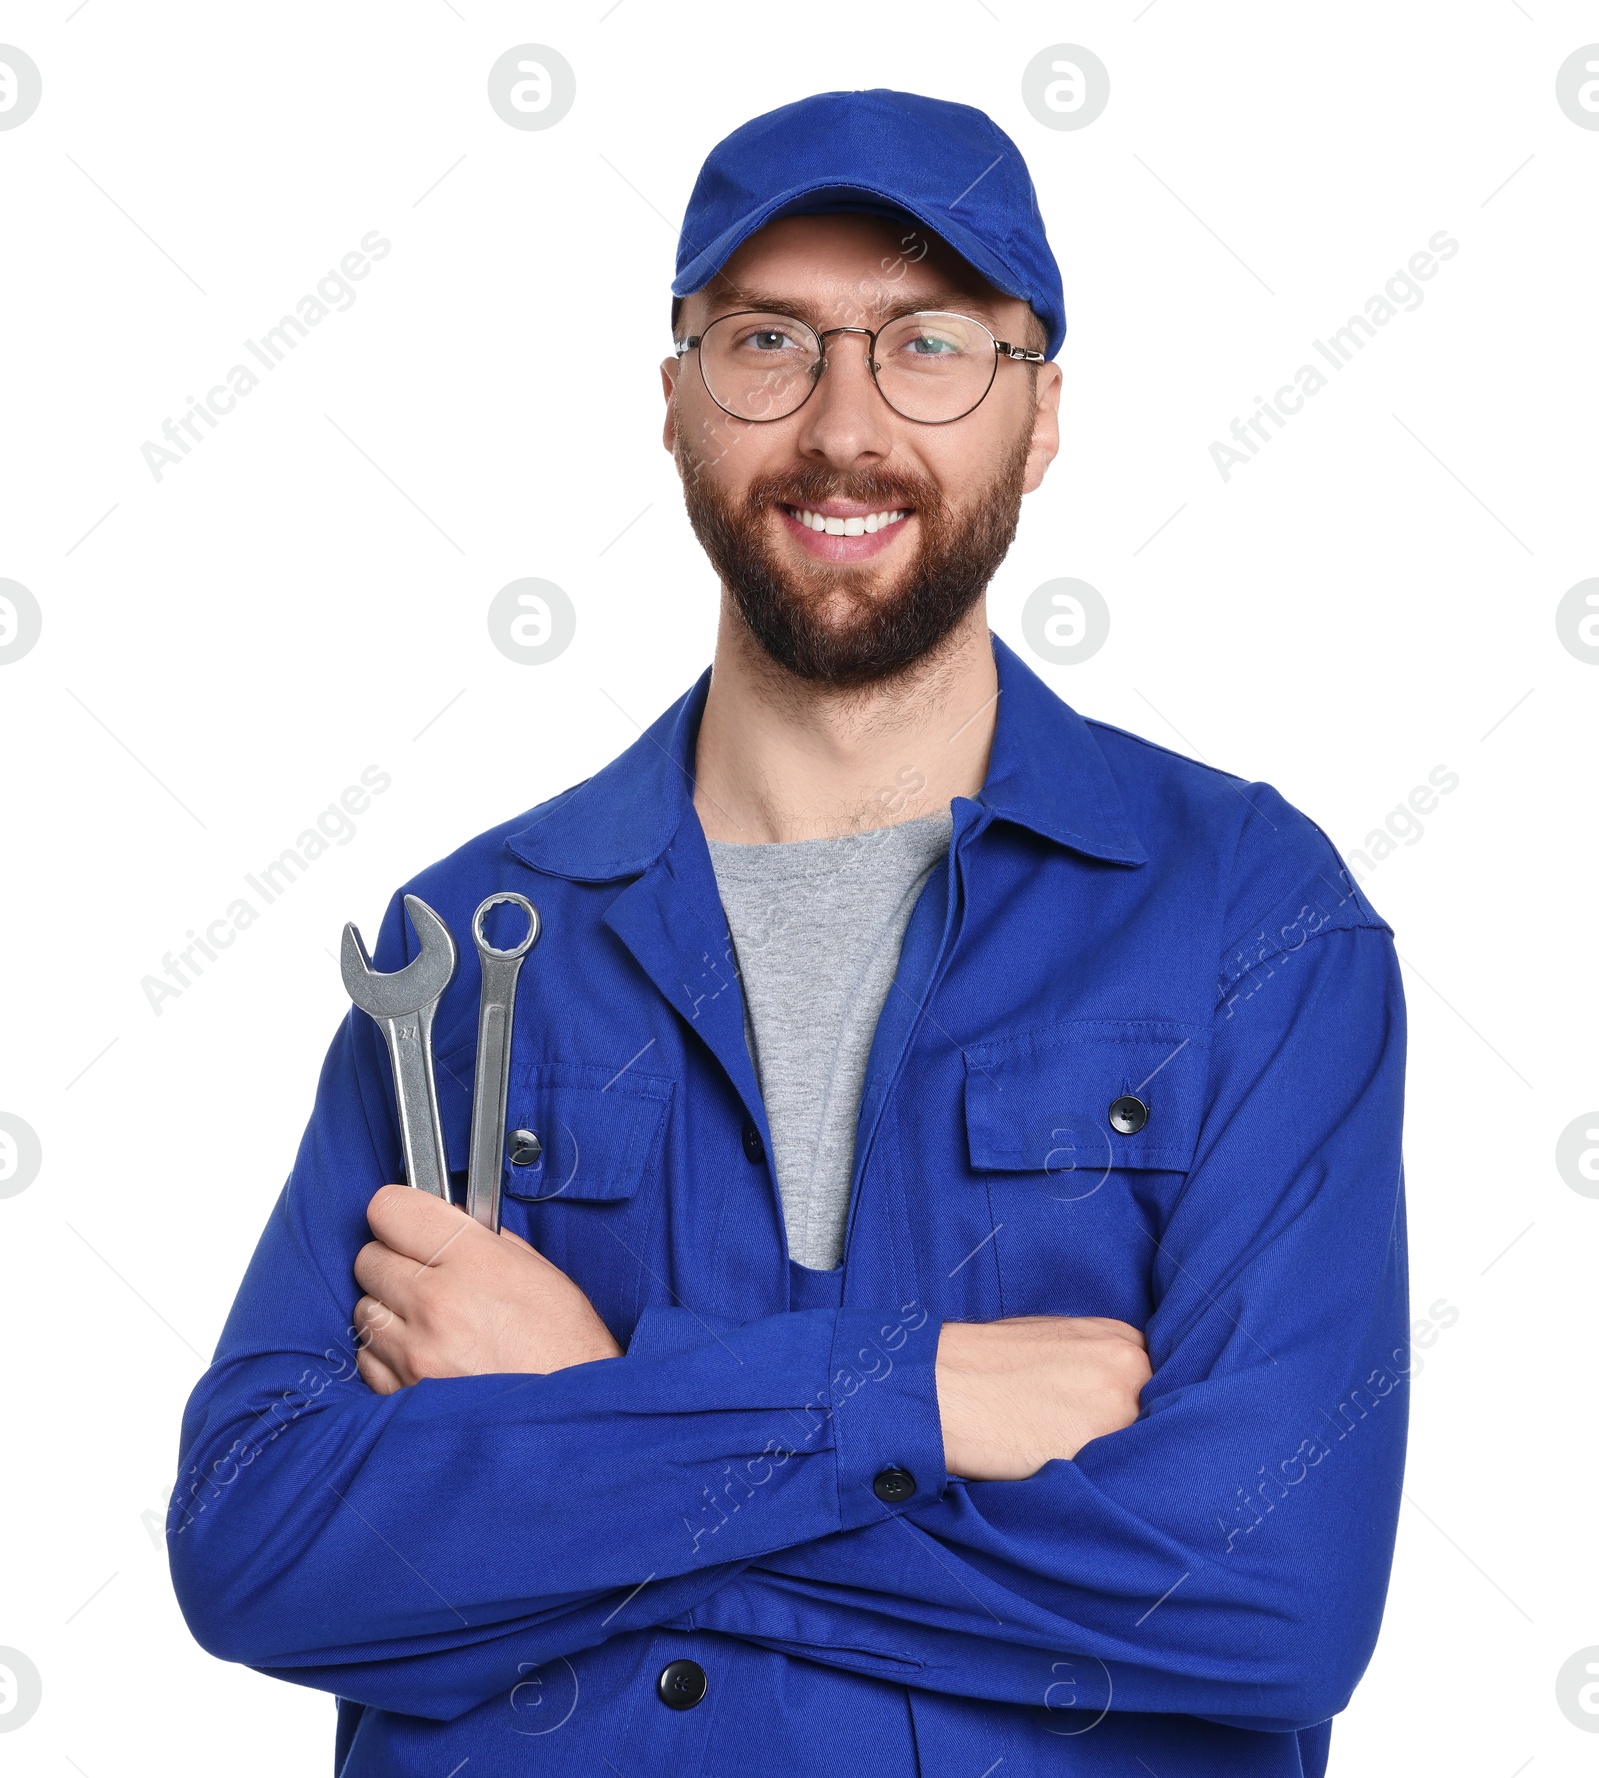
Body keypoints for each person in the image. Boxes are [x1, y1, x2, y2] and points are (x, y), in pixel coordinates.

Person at [170, 89, 1409, 1778]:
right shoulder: (463, 951)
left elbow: (1270, 1592)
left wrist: (603, 1402)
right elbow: (258, 1541)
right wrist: (906, 1409)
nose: (846, 424)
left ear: (1041, 414)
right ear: (675, 405)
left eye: (933, 344)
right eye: (769, 342)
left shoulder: (1254, 924)